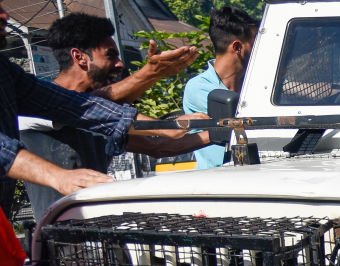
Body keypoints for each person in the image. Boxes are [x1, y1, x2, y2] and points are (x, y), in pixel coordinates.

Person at [20, 12, 208, 223]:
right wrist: (151, 73)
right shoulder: (33, 109)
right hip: (57, 239)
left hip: (102, 234)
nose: (120, 64)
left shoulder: (104, 116)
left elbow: (159, 146)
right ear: (80, 57)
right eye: (111, 55)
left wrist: (219, 131)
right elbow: (81, 107)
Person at [0, 0, 138, 217]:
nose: (4, 16)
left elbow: (72, 104)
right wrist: (59, 176)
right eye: (111, 56)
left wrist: (179, 125)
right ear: (79, 57)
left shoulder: (5, 72)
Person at [182, 6, 257, 169]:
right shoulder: (198, 88)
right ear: (237, 47)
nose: (259, 49)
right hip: (216, 183)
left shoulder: (255, 84)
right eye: (254, 42)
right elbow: (245, 123)